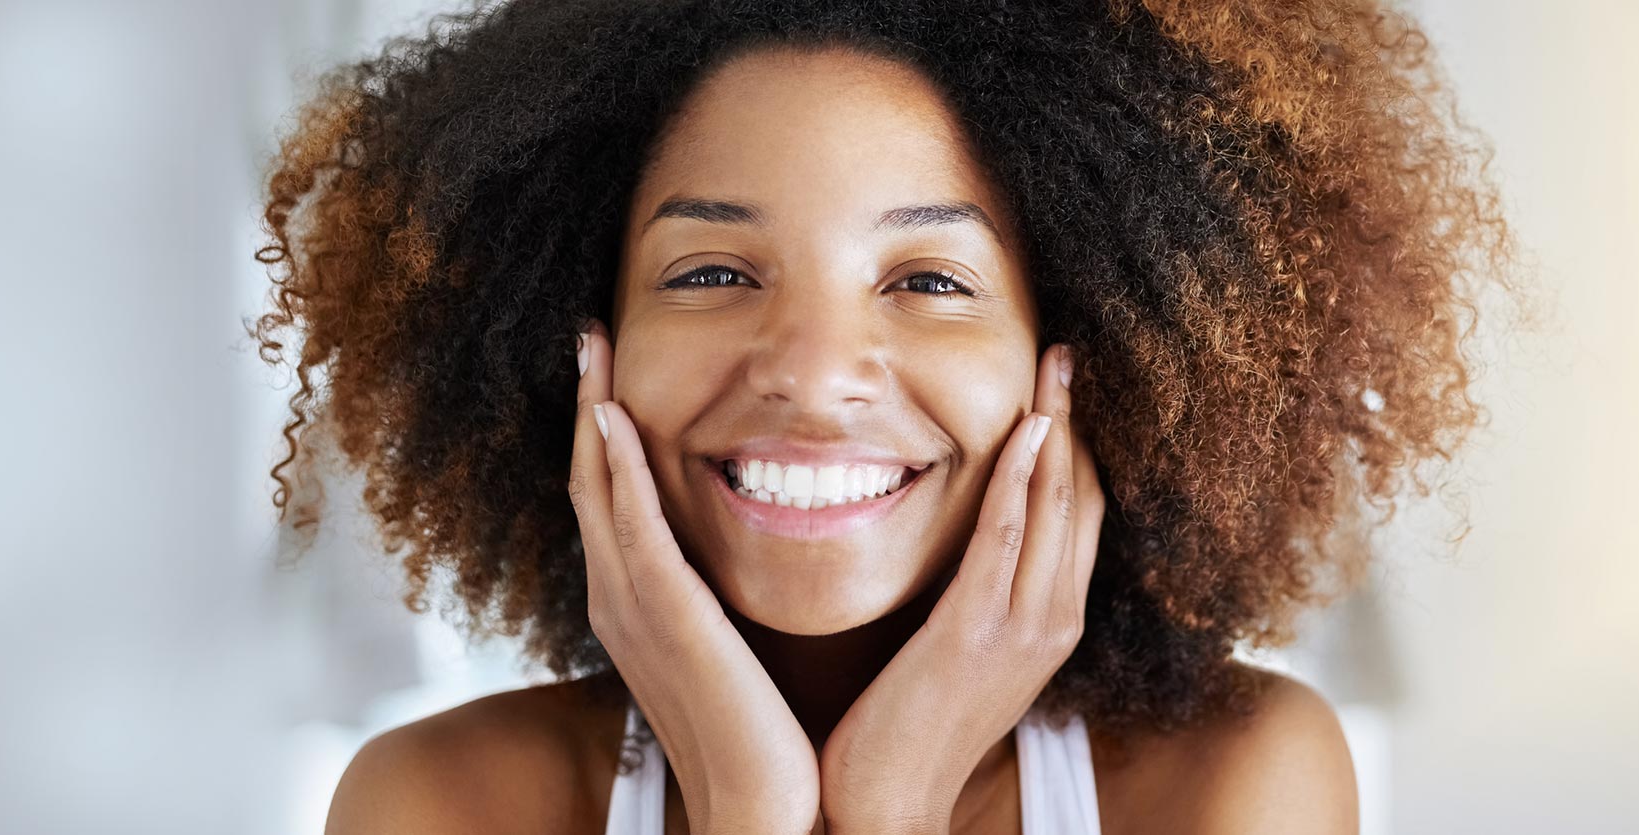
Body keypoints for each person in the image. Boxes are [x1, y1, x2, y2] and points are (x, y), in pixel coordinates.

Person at [249, 0, 1514, 831]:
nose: (811, 370)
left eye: (927, 282)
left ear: (1082, 357)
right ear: (577, 343)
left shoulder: (1233, 784)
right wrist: (749, 806)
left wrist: (893, 801)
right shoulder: (442, 805)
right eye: (711, 273)